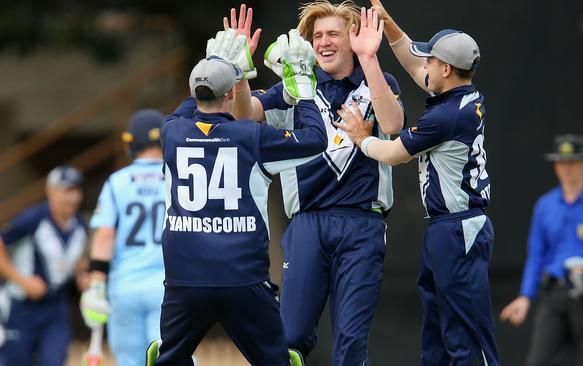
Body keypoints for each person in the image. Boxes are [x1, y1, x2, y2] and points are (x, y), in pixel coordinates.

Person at [226, 2, 405, 364]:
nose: (323, 42)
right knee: (288, 336)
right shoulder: (295, 84)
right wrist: (240, 72)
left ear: (353, 38)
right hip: (307, 222)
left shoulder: (378, 82)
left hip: (362, 222)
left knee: (351, 341)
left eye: (333, 34)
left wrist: (369, 59)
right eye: (317, 35)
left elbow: (395, 125)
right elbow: (244, 116)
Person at [147, 35, 327, 365]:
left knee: (169, 359)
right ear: (232, 92)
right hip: (244, 279)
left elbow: (188, 106)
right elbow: (316, 140)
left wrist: (216, 63)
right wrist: (303, 92)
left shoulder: (171, 131)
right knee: (277, 361)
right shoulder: (251, 136)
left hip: (184, 281)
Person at [334, 5, 500, 362]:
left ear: (445, 69)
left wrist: (362, 137)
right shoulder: (460, 96)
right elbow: (413, 62)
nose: (423, 66)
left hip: (458, 229)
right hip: (447, 229)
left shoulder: (446, 116)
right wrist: (389, 25)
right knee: (438, 330)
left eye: (430, 62)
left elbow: (394, 153)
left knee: (466, 332)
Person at [499, 134, 583, 366]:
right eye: (561, 162)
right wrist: (526, 295)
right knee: (537, 360)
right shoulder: (546, 205)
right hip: (555, 292)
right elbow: (536, 255)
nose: (566, 169)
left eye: (572, 162)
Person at [79, 109, 166, 366]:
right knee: (172, 357)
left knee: (130, 361)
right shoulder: (178, 178)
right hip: (168, 287)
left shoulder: (117, 182)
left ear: (130, 143)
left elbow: (105, 235)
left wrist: (96, 285)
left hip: (124, 286)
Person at [0, 165, 87, 366]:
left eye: (76, 191)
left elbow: (76, 258)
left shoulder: (80, 225)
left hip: (56, 306)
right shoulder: (32, 219)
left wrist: (83, 275)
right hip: (22, 306)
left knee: (53, 360)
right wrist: (21, 281)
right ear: (51, 191)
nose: (72, 198)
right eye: (66, 191)